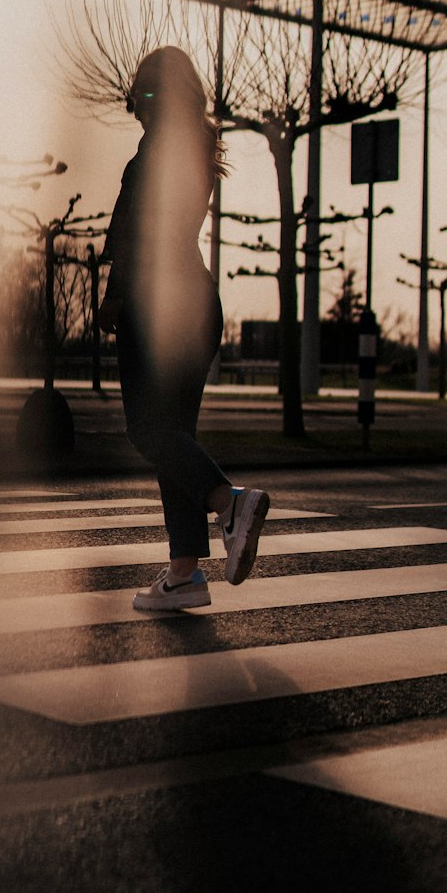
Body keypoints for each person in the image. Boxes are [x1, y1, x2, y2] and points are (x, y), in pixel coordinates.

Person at [98, 46, 270, 611]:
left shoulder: (156, 154)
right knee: (175, 437)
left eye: (144, 97)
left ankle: (229, 501)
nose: (138, 110)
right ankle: (183, 575)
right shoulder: (198, 148)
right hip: (198, 301)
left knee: (148, 431)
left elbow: (137, 236)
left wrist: (116, 298)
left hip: (158, 305)